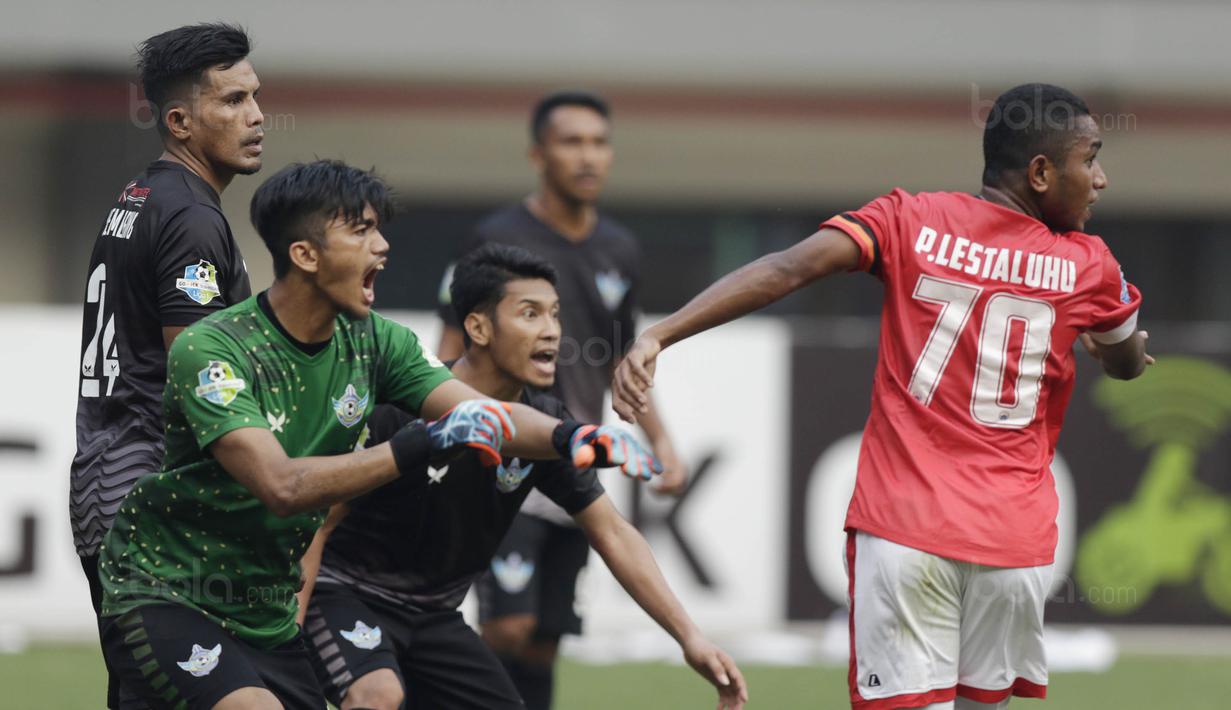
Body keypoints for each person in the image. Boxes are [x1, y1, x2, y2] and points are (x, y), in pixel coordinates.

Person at [612, 84, 1152, 710]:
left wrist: (661, 334)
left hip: (906, 534)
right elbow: (1126, 361)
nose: (1101, 178)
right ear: (1039, 173)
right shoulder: (1090, 266)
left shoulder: (911, 220)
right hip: (1014, 549)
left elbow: (788, 269)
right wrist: (1121, 351)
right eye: (1090, 159)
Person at [95, 160, 661, 710]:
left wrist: (573, 438)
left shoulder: (377, 341)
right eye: (361, 230)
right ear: (305, 255)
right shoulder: (211, 349)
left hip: (264, 614)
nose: (382, 246)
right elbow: (282, 485)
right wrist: (421, 443)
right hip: (167, 593)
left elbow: (488, 415)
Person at [297, 243, 747, 710]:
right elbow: (318, 523)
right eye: (529, 314)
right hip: (342, 593)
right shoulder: (401, 408)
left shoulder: (546, 423)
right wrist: (288, 631)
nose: (551, 331)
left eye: (554, 314)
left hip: (434, 616)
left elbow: (612, 531)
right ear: (478, 326)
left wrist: (690, 638)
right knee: (378, 694)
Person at [435, 90, 687, 707]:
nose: (588, 156)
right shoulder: (495, 237)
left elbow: (623, 360)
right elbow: (447, 351)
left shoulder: (619, 249)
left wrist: (662, 442)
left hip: (576, 460)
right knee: (507, 628)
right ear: (537, 154)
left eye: (599, 143)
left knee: (547, 637)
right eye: (571, 142)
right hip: (508, 453)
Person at [70, 22, 263, 709]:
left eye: (256, 97)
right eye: (233, 101)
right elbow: (200, 375)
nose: (257, 115)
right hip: (153, 499)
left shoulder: (140, 197)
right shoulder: (189, 215)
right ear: (180, 120)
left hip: (107, 478)